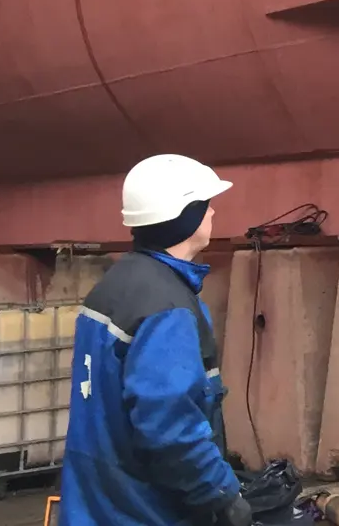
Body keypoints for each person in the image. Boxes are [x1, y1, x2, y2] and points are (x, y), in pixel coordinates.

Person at [61, 154, 250, 526]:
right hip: (144, 511)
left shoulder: (113, 287)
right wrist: (223, 495)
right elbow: (170, 430)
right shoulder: (166, 307)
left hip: (95, 506)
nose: (212, 213)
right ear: (185, 216)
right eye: (205, 205)